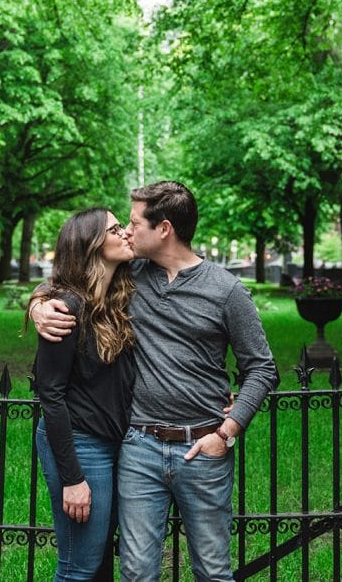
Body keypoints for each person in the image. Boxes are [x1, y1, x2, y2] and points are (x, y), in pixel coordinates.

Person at [32, 181, 278, 582]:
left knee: (214, 571)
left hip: (202, 448)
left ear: (163, 228)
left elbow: (262, 367)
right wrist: (40, 304)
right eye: (122, 226)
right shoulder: (132, 276)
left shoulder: (226, 289)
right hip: (139, 448)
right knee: (136, 573)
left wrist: (228, 431)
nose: (127, 231)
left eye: (132, 223)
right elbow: (75, 277)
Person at [33, 207, 137, 581]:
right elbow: (51, 394)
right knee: (79, 568)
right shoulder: (66, 307)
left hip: (114, 443)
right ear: (91, 245)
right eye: (115, 229)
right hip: (80, 444)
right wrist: (72, 479)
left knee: (96, 565)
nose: (125, 233)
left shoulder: (117, 298)